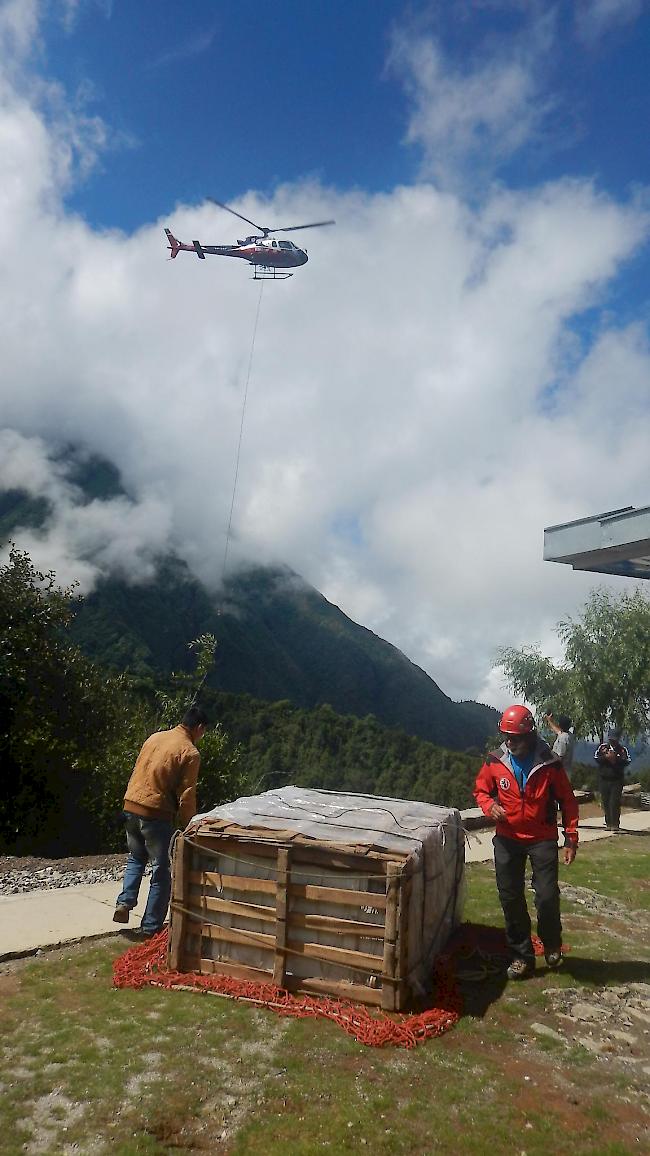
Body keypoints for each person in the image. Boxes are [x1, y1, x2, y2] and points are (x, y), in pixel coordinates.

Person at [474, 704, 579, 980]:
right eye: (507, 736)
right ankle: (522, 956)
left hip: (542, 839)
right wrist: (489, 806)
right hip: (507, 839)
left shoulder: (550, 763)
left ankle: (552, 942)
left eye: (516, 737)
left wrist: (571, 838)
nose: (511, 742)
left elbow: (568, 801)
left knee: (546, 895)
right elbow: (481, 791)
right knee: (510, 897)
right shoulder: (494, 760)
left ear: (530, 735)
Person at [113, 705, 208, 936]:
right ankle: (151, 927)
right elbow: (187, 795)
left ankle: (124, 902)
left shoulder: (155, 737)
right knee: (162, 869)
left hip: (130, 806)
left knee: (136, 858)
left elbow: (138, 769)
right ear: (199, 728)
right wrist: (189, 825)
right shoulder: (190, 752)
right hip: (156, 814)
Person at [594, 730, 630, 832]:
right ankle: (608, 823)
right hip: (604, 779)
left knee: (614, 802)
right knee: (605, 801)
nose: (612, 741)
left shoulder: (622, 749)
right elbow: (596, 758)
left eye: (614, 739)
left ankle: (615, 824)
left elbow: (626, 761)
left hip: (616, 780)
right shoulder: (602, 748)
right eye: (610, 739)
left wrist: (615, 760)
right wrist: (606, 757)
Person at [544, 712, 576, 777]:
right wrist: (549, 720)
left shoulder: (562, 739)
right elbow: (557, 730)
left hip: (559, 774)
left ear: (560, 725)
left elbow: (558, 758)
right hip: (566, 772)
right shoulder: (570, 736)